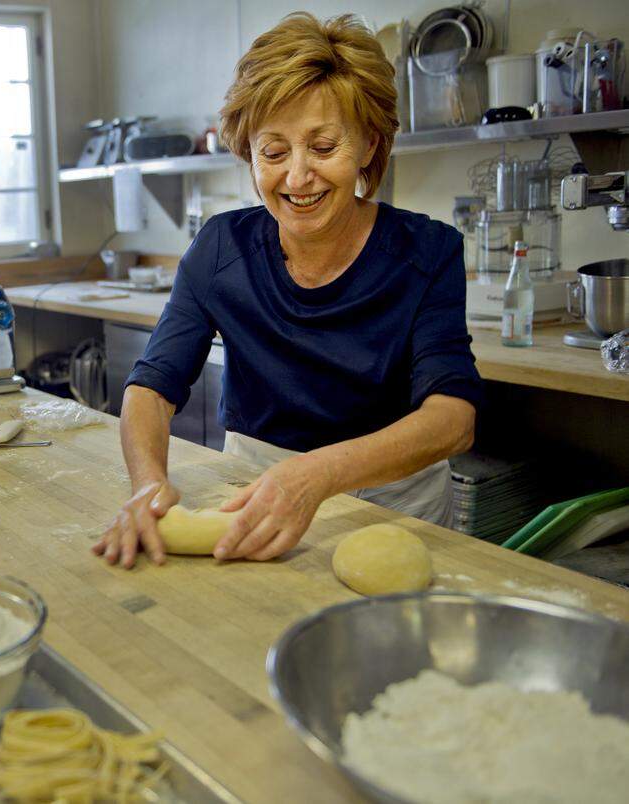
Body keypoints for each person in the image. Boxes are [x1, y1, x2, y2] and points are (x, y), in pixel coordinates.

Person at [94, 13, 481, 569]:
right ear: (249, 153)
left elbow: (452, 417)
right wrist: (147, 486)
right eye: (273, 153)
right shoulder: (221, 250)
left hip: (396, 507)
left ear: (369, 145)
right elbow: (152, 387)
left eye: (322, 147)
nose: (297, 178)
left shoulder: (427, 253)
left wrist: (317, 474)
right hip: (251, 492)